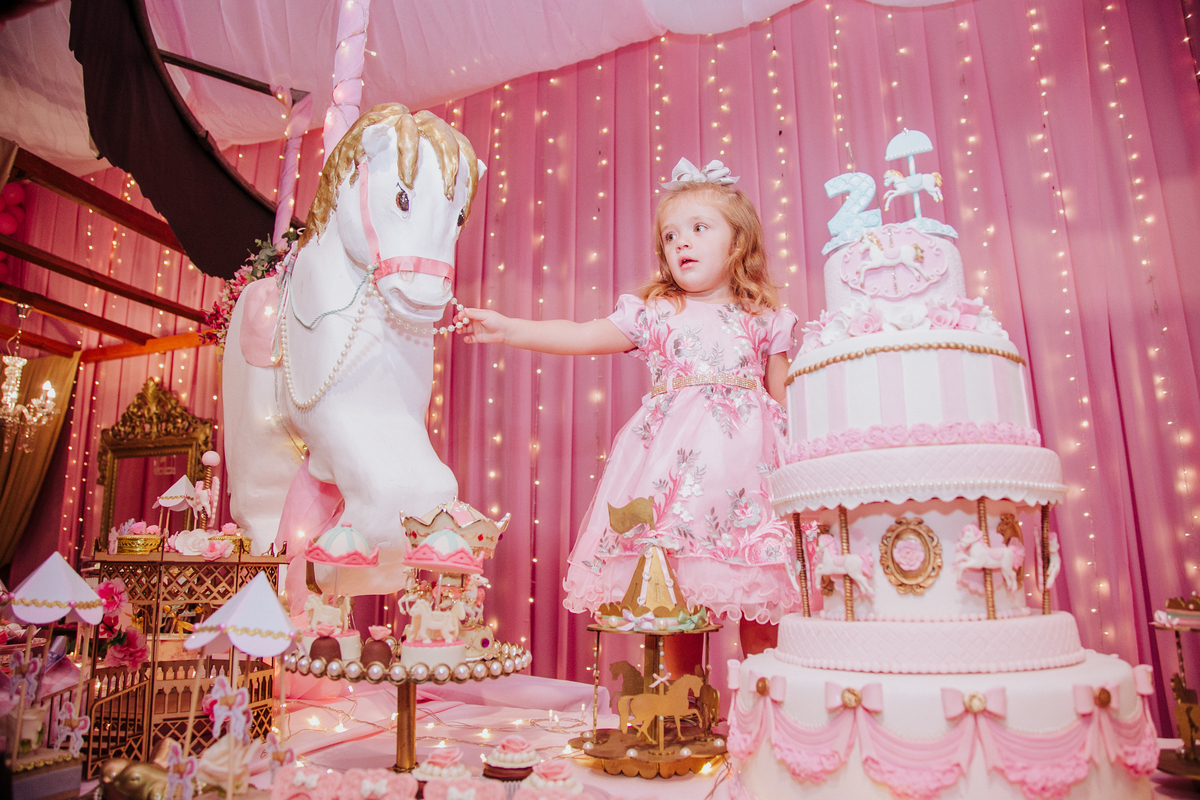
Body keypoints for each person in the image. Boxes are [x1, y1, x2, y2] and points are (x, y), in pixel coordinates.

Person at [454, 158, 802, 671]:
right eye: (670, 236)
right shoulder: (658, 312)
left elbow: (785, 403)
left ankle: (765, 705)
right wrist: (510, 329)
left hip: (750, 484)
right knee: (676, 600)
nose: (681, 243)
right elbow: (581, 334)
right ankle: (683, 706)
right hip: (676, 483)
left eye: (699, 229)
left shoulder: (767, 319)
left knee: (762, 597)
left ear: (738, 243)